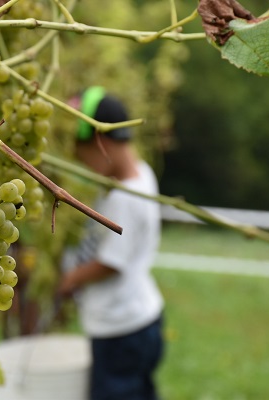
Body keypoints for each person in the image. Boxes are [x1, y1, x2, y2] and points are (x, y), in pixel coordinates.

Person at [59, 86, 165, 400]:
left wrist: (72, 280)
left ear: (102, 142)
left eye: (83, 155)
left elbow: (111, 263)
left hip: (121, 329)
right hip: (139, 320)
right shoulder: (140, 175)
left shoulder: (125, 198)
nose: (85, 165)